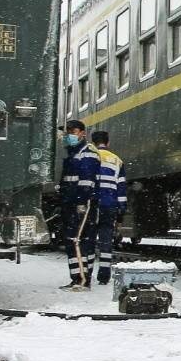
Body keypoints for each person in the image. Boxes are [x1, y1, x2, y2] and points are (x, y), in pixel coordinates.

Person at [58, 119, 100, 290]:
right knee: (83, 241)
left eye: (73, 131)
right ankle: (81, 277)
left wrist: (81, 203)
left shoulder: (87, 152)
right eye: (67, 132)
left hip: (81, 203)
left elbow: (86, 180)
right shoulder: (74, 153)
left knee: (76, 240)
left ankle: (81, 280)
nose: (69, 135)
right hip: (72, 202)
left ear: (83, 133)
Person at [91, 128, 125, 286]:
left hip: (92, 205)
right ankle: (104, 276)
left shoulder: (89, 156)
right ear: (108, 142)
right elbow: (121, 189)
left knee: (88, 240)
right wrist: (121, 212)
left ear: (93, 142)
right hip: (109, 205)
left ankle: (86, 274)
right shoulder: (117, 160)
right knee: (106, 241)